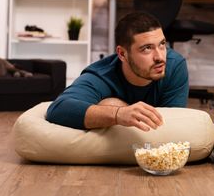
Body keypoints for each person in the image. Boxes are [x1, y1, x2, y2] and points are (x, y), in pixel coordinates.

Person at [46, 11, 189, 131]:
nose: (159, 57)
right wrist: (118, 114)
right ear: (122, 54)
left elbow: (173, 125)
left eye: (162, 44)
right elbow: (58, 109)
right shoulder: (101, 76)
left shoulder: (174, 65)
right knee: (112, 103)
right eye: (147, 48)